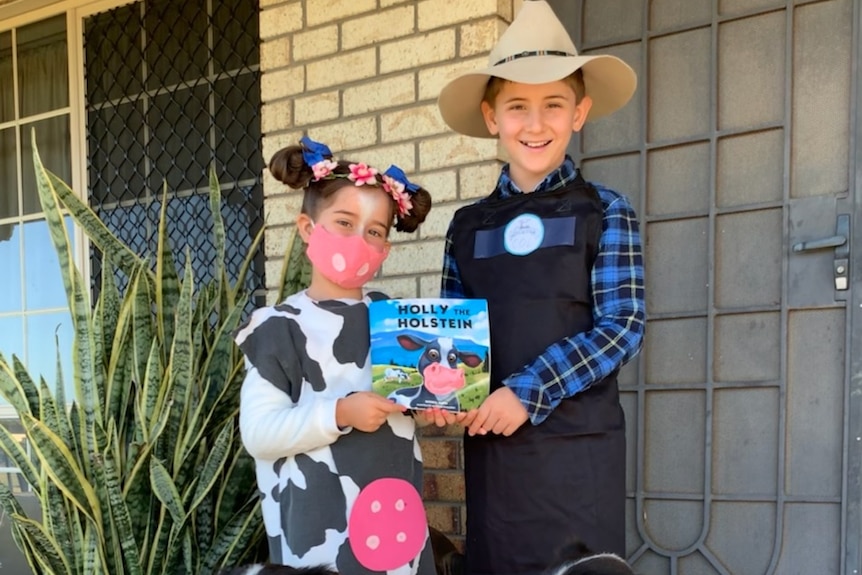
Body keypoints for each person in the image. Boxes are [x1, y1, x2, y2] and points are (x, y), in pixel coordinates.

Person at [430, 2, 646, 574]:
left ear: (580, 113)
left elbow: (622, 326)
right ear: (491, 115)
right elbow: (454, 333)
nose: (535, 123)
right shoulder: (468, 227)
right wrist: (446, 394)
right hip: (495, 458)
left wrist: (528, 392)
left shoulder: (606, 211)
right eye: (517, 106)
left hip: (580, 454)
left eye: (554, 104)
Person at [234, 136, 436, 575]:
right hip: (316, 533)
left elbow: (422, 395)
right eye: (344, 222)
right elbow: (259, 433)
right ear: (307, 228)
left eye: (374, 232)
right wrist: (340, 412)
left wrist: (442, 403)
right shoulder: (279, 327)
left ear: (385, 250)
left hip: (395, 522)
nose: (359, 240)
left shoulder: (396, 320)